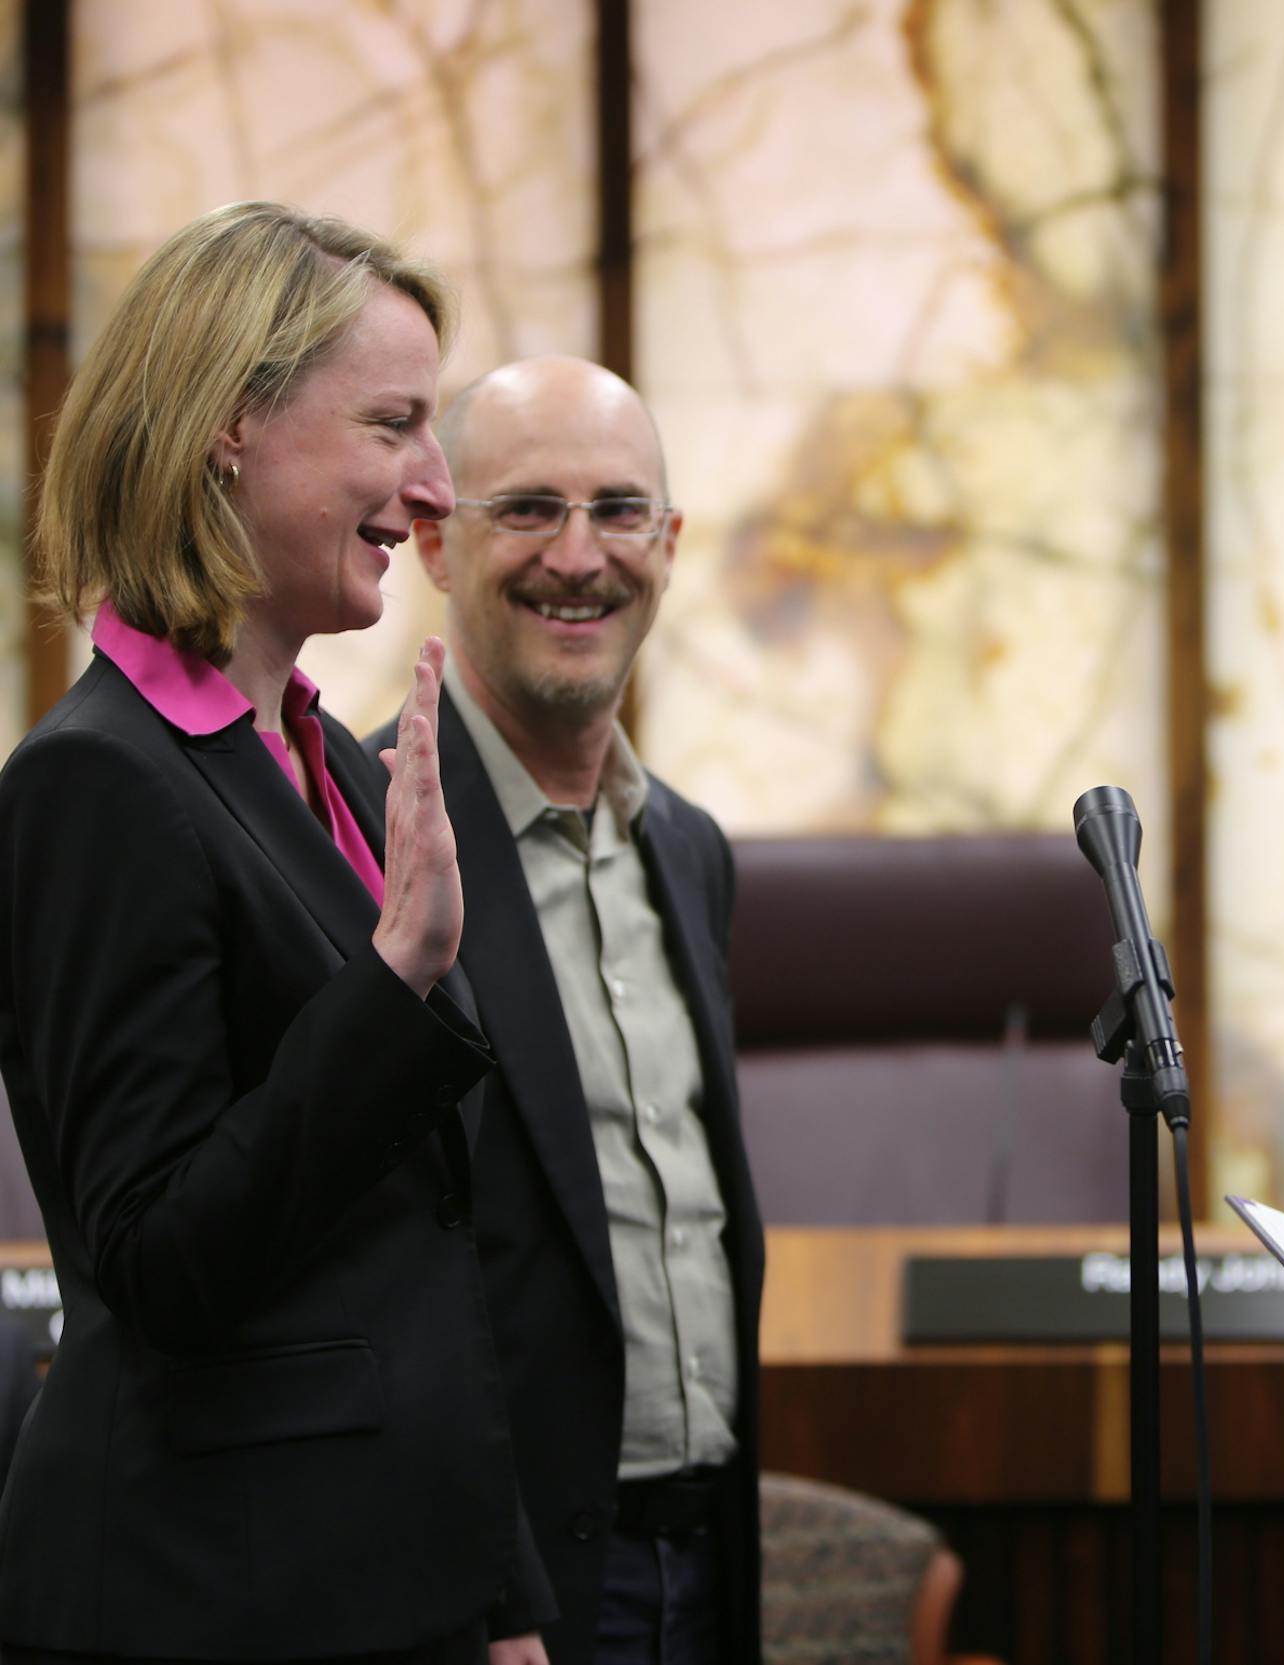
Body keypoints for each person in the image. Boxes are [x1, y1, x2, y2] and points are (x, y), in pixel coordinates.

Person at [0, 202, 551, 1661]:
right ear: (230, 423)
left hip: (403, 1592)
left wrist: (504, 1601)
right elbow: (159, 1254)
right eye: (393, 423)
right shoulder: (89, 783)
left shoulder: (342, 771)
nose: (434, 487)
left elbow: (418, 1250)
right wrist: (394, 980)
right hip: (211, 1604)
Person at [384, 356, 763, 1665]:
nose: (579, 555)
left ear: (670, 542)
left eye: (618, 511)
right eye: (528, 509)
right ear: (435, 539)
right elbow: (370, 1281)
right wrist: (488, 1590)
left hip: (709, 1560)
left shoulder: (692, 850)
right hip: (511, 1600)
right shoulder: (363, 833)